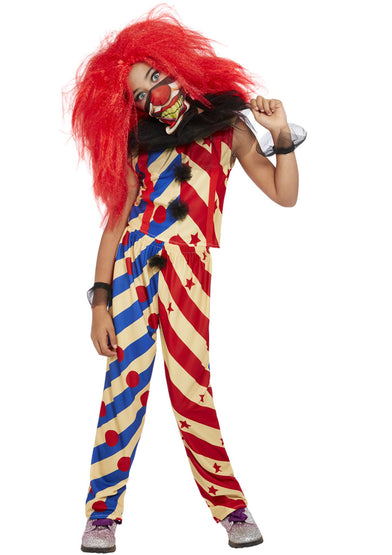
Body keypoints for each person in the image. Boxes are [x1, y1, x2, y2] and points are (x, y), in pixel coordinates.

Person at [69, 7, 306, 553]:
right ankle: (101, 514)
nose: (154, 93)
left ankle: (231, 508)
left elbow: (285, 193)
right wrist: (99, 302)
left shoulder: (227, 127)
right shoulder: (138, 142)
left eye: (156, 76)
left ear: (176, 65)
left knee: (191, 386)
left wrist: (280, 134)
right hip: (133, 267)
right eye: (139, 92)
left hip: (189, 270)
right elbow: (115, 223)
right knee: (123, 388)